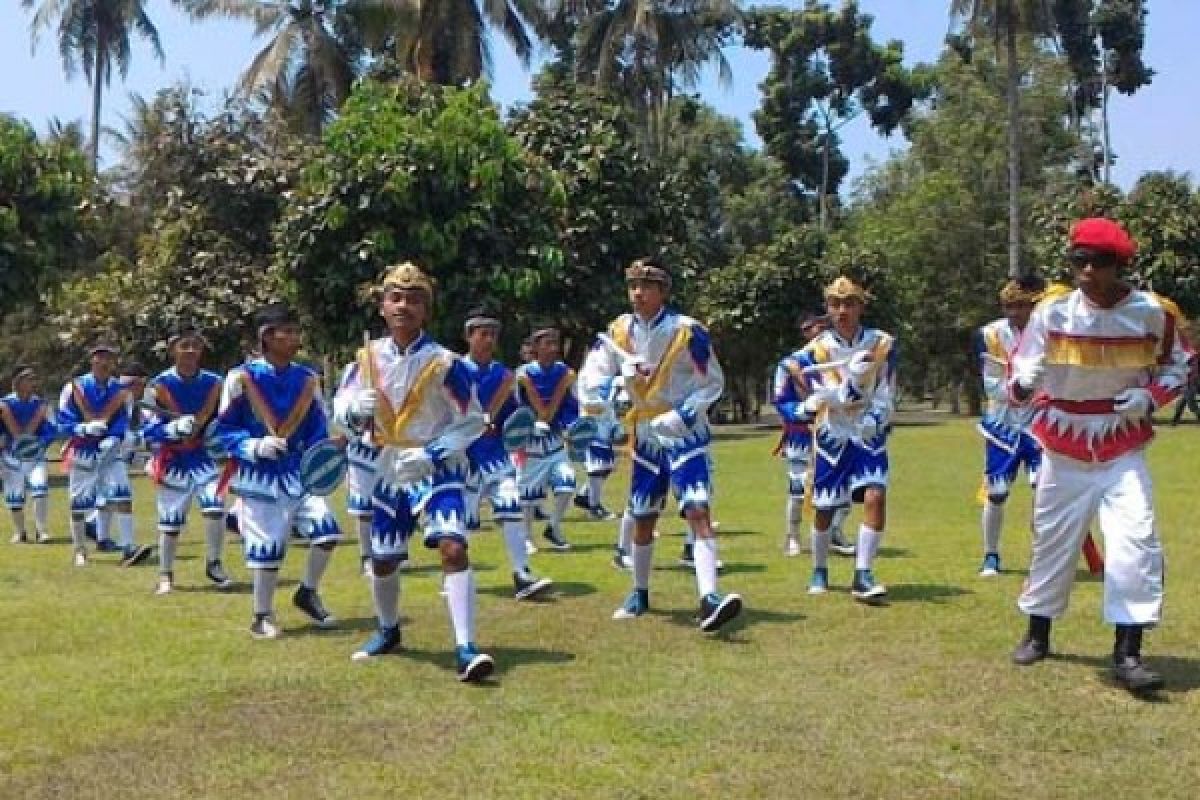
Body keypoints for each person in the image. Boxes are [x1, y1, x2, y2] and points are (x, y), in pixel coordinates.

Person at [1008, 218, 1192, 693]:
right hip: (1063, 440)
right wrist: (1025, 382)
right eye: (1079, 260)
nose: (1088, 271)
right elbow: (1022, 368)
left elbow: (1179, 366)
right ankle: (1038, 632)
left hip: (1120, 442)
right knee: (1054, 539)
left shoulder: (1153, 313)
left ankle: (1128, 651)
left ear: (1120, 265)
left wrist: (1150, 397)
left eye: (1100, 261)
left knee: (1135, 538)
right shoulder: (1053, 312)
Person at [334, 262, 493, 681]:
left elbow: (475, 419)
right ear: (383, 306)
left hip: (436, 468)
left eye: (414, 299)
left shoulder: (445, 363)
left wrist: (435, 451)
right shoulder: (365, 359)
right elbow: (341, 410)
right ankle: (388, 630)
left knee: (453, 547)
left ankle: (466, 647)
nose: (403, 306)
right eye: (395, 298)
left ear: (426, 310)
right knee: (383, 560)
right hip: (387, 467)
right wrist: (354, 410)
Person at [580, 256, 742, 632]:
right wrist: (617, 384)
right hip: (646, 435)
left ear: (662, 292)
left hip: (686, 433)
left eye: (646, 286)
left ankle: (709, 596)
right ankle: (639, 591)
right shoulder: (616, 333)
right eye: (633, 286)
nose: (637, 293)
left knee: (698, 507)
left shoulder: (689, 331)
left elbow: (712, 381)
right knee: (643, 515)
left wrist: (685, 413)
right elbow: (590, 381)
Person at [214, 303, 341, 639]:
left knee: (327, 532)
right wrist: (253, 446)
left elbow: (317, 428)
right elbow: (224, 430)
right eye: (289, 331)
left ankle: (308, 592)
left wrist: (325, 452)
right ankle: (262, 614)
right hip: (259, 475)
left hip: (299, 474)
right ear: (267, 336)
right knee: (268, 548)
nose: (296, 337)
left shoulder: (308, 379)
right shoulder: (240, 379)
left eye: (297, 330)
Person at [798, 276, 896, 604]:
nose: (843, 311)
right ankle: (819, 568)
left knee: (875, 496)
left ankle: (863, 573)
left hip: (868, 431)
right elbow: (823, 394)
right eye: (836, 304)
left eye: (850, 304)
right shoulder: (815, 350)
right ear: (827, 308)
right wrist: (845, 387)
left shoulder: (881, 344)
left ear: (861, 307)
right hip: (833, 432)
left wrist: (877, 417)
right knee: (825, 506)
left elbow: (886, 388)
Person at [460, 306, 553, 600]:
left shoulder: (504, 376)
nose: (488, 340)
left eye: (492, 335)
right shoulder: (455, 372)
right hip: (465, 457)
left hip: (497, 455)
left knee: (511, 505)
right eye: (482, 334)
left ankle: (522, 573)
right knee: (461, 521)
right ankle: (455, 576)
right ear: (469, 337)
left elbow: (514, 416)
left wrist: (527, 428)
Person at [142, 325, 233, 594]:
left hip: (203, 456)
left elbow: (228, 419)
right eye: (185, 345)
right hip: (173, 459)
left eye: (195, 345)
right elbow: (147, 430)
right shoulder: (158, 386)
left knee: (215, 506)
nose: (191, 351)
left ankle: (214, 563)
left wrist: (220, 435)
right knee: (170, 520)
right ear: (173, 350)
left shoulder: (215, 383)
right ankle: (166, 574)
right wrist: (170, 430)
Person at [973, 277, 1044, 576]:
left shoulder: (1047, 331)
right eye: (1009, 306)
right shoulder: (991, 335)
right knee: (997, 492)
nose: (1014, 311)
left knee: (1044, 489)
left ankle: (1044, 555)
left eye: (1020, 305)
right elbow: (991, 383)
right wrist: (1018, 388)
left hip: (1041, 420)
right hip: (1002, 422)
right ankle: (991, 554)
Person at [59, 342, 152, 567]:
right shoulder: (75, 387)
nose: (105, 362)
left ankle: (129, 547)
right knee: (78, 504)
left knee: (123, 495)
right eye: (100, 357)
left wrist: (115, 437)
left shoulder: (121, 392)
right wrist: (81, 428)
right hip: (83, 449)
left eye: (109, 358)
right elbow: (63, 420)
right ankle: (80, 549)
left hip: (111, 451)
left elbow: (123, 420)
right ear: (92, 360)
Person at [773, 312, 853, 558]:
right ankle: (793, 536)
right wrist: (802, 410)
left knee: (844, 487)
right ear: (804, 332)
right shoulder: (791, 364)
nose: (818, 332)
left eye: (822, 327)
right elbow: (780, 400)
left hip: (836, 431)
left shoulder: (841, 360)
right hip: (802, 433)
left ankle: (835, 532)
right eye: (811, 328)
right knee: (798, 488)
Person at [515, 325, 581, 552]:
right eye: (548, 343)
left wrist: (572, 426)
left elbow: (572, 407)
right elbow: (515, 408)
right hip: (531, 443)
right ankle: (525, 536)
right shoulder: (523, 375)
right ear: (535, 348)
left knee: (567, 482)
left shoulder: (564, 372)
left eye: (556, 343)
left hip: (554, 441)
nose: (554, 348)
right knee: (528, 493)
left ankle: (553, 526)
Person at [0, 365, 59, 544]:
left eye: (34, 379)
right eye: (28, 379)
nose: (33, 382)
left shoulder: (41, 405)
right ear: (17, 382)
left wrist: (41, 442)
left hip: (35, 455)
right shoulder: (5, 404)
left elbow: (52, 428)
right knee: (15, 496)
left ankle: (42, 531)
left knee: (40, 488)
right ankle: (20, 532)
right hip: (11, 455)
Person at [574, 373, 620, 521]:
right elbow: (587, 403)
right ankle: (594, 507)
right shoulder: (587, 377)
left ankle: (584, 495)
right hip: (591, 429)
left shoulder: (612, 378)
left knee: (606, 467)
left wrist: (615, 425)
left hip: (605, 430)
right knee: (596, 468)